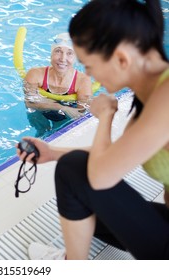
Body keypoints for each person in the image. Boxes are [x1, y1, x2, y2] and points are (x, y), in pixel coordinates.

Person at [17, 0, 169, 260]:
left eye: (88, 64)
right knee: (86, 207)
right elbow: (112, 155)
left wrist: (106, 116)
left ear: (120, 58)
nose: (87, 73)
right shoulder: (150, 94)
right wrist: (52, 152)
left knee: (73, 169)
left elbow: (100, 177)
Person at [23, 32, 93, 138]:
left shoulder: (83, 81)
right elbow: (30, 103)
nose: (63, 58)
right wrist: (62, 108)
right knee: (39, 127)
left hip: (65, 118)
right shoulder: (35, 74)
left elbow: (81, 113)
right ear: (51, 54)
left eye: (70, 53)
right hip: (40, 114)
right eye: (58, 51)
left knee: (60, 133)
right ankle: (41, 132)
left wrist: (47, 102)